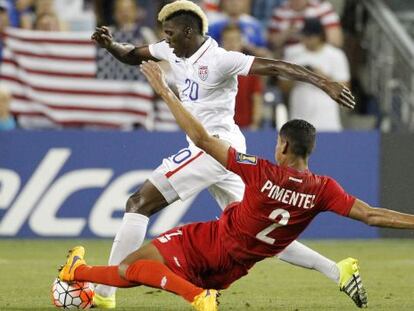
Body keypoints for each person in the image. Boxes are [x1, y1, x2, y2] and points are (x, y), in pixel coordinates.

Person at [59, 60, 414, 311]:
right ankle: (78, 271)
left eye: (277, 142)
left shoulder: (258, 171)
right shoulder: (324, 190)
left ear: (284, 146)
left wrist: (165, 92)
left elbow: (200, 138)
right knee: (142, 269)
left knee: (132, 266)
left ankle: (191, 296)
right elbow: (371, 215)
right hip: (232, 271)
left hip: (208, 245)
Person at [90, 0, 357, 308]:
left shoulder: (220, 59)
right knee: (255, 231)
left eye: (170, 33)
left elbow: (275, 66)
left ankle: (104, 292)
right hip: (216, 150)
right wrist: (110, 46)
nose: (166, 39)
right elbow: (133, 55)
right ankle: (337, 270)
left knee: (138, 203)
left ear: (188, 31)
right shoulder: (171, 49)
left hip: (214, 147)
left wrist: (324, 83)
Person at [280, 18, 350, 131]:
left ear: (319, 36)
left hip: (327, 121)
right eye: (304, 36)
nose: (305, 40)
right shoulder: (292, 53)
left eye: (309, 37)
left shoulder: (335, 55)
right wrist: (298, 76)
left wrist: (323, 77)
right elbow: (283, 86)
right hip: (299, 119)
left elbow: (345, 90)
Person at [220, 24, 263, 129]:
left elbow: (256, 97)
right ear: (222, 43)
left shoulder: (251, 69)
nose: (231, 43)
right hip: (220, 128)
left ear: (241, 42)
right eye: (228, 40)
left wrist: (255, 124)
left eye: (235, 40)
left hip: (245, 128)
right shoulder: (213, 67)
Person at [268, 0, 343, 57]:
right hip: (289, 57)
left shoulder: (323, 8)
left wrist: (311, 40)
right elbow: (271, 44)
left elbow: (335, 42)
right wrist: (287, 33)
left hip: (318, 56)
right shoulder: (280, 11)